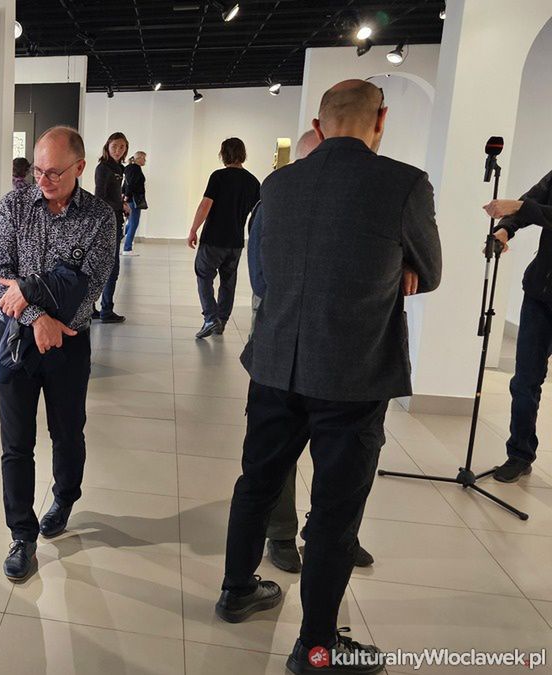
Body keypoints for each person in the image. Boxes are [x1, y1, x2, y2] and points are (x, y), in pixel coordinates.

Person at [215, 80, 441, 675]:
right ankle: (317, 647)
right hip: (351, 372)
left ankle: (237, 590)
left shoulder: (278, 184)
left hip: (275, 364)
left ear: (318, 123)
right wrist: (399, 264)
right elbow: (432, 269)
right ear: (380, 119)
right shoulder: (404, 183)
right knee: (335, 512)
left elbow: (261, 277)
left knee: (256, 484)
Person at [0, 126, 116, 582]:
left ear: (80, 167)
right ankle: (21, 535)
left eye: (54, 173)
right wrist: (37, 316)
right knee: (16, 445)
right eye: (38, 170)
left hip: (69, 343)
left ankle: (64, 497)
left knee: (67, 433)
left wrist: (28, 290)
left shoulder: (100, 217)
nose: (43, 180)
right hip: (16, 340)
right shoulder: (13, 205)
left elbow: (87, 285)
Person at [248, 130, 375, 574]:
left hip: (343, 345)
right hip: (283, 338)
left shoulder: (360, 200)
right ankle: (281, 532)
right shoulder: (273, 202)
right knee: (279, 445)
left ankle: (333, 531)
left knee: (345, 448)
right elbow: (261, 279)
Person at [486, 170, 552, 482]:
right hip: (540, 294)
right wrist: (505, 229)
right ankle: (520, 454)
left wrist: (521, 208)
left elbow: (525, 206)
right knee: (525, 380)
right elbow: (530, 201)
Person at [188, 138, 260, 339]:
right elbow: (257, 214)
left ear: (223, 154)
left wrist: (193, 229)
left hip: (213, 239)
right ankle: (222, 320)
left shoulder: (218, 177)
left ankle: (211, 318)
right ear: (243, 154)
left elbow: (205, 205)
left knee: (204, 275)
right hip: (235, 242)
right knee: (228, 281)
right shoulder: (253, 182)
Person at [92, 132, 128, 323]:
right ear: (107, 146)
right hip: (106, 223)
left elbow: (112, 194)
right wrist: (120, 205)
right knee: (110, 267)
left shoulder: (118, 168)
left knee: (106, 266)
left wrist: (122, 203)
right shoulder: (103, 168)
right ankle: (105, 311)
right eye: (114, 146)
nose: (118, 150)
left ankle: (98, 309)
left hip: (115, 219)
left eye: (122, 147)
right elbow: (100, 198)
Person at [121, 150, 147, 256]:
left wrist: (123, 194)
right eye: (144, 158)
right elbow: (131, 184)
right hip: (134, 199)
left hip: (130, 198)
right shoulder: (135, 169)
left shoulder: (129, 168)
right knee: (134, 223)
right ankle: (127, 249)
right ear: (139, 158)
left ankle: (118, 239)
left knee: (130, 223)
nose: (145, 161)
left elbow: (125, 183)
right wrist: (127, 195)